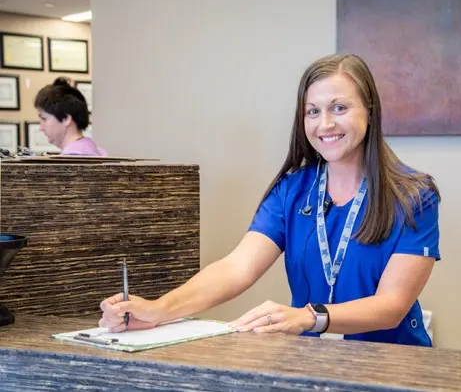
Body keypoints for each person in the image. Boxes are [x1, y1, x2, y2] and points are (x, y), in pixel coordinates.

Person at [99, 53, 441, 346]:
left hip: (394, 365)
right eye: (312, 111)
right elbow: (236, 269)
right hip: (314, 363)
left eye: (339, 107)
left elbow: (392, 305)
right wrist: (159, 309)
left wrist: (308, 317)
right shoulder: (292, 191)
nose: (325, 124)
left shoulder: (414, 196)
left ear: (369, 110)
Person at [34, 77, 107, 156]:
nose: (41, 128)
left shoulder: (74, 157)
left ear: (66, 118)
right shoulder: (94, 150)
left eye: (44, 119)